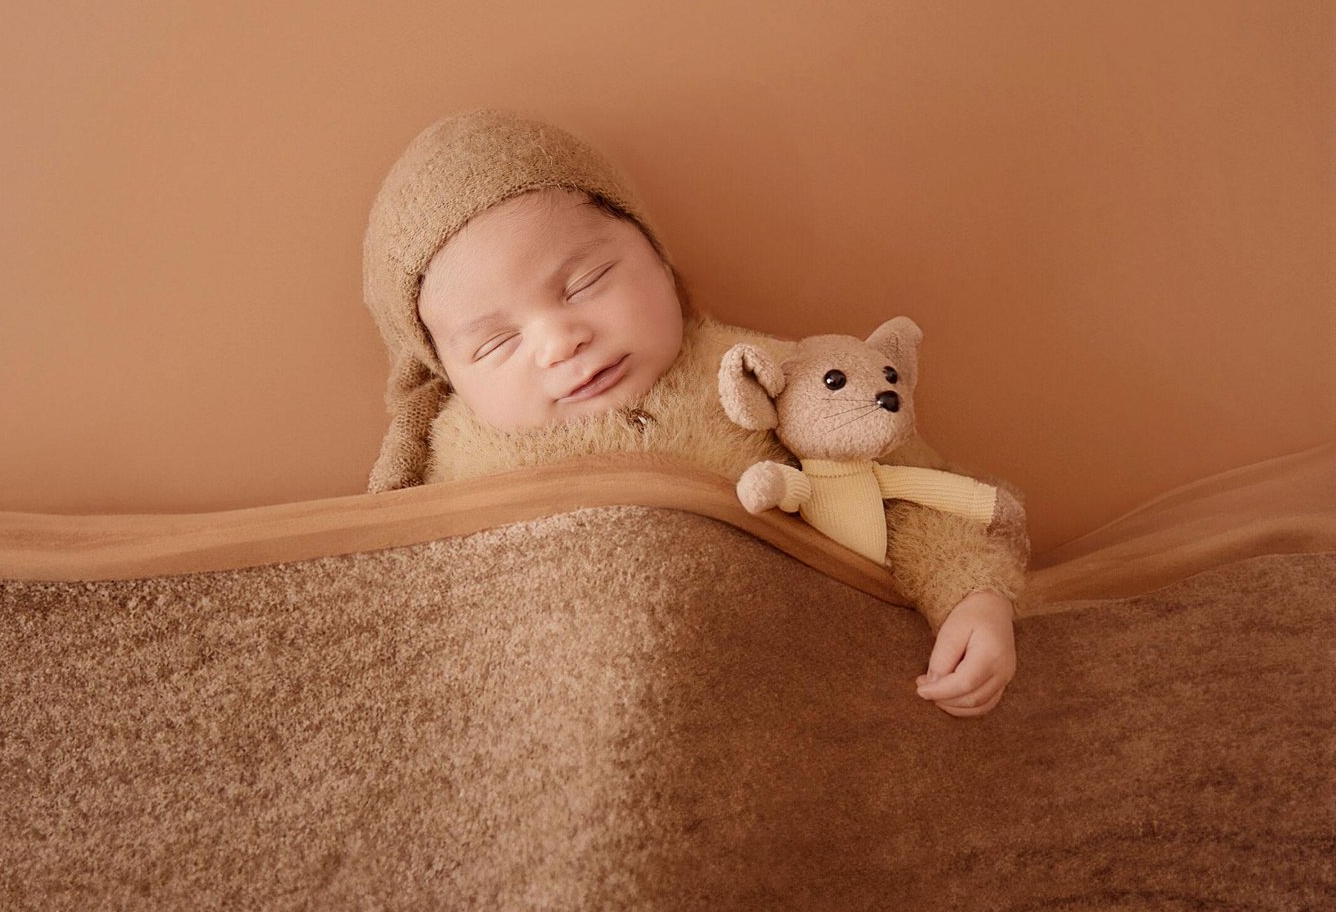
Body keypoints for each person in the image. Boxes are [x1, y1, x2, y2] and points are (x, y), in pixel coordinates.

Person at [362, 109, 1029, 717]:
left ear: (660, 258)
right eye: (495, 343)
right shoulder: (452, 467)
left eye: (586, 283)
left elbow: (907, 495)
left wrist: (973, 596)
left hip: (802, 693)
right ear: (446, 376)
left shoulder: (761, 376)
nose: (560, 341)